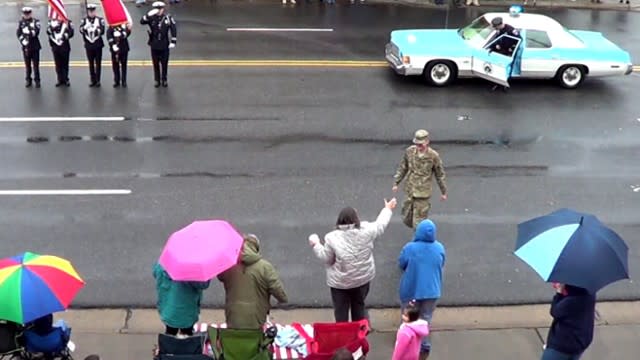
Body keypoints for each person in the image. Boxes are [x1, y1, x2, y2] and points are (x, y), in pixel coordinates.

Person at [309, 198, 397, 322]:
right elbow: (380, 225)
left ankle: (344, 337)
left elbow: (327, 259)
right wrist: (387, 209)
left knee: (341, 313)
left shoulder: (331, 238)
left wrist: (316, 244)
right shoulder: (367, 231)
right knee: (359, 306)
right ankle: (359, 335)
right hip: (362, 280)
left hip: (340, 284)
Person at [398, 219, 445, 360]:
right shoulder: (439, 248)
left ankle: (407, 342)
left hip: (412, 289)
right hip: (432, 290)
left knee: (409, 317)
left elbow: (402, 263)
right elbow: (442, 262)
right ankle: (424, 345)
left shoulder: (410, 248)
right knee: (426, 317)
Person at [218, 234, 288, 329]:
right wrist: (282, 299)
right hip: (256, 320)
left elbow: (220, 276)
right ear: (256, 248)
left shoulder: (230, 265)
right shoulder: (265, 267)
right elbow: (277, 289)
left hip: (233, 318)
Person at [393, 129, 448, 229]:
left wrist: (443, 191)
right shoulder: (409, 152)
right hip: (410, 190)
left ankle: (418, 241)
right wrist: (396, 182)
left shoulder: (433, 156)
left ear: (427, 142)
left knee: (418, 222)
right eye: (417, 144)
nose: (419, 147)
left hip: (423, 193)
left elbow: (440, 174)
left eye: (421, 144)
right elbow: (403, 167)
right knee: (406, 217)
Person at [541, 283, 596, 360]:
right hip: (580, 342)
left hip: (562, 345)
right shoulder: (589, 293)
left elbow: (555, 311)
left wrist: (559, 293)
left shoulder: (572, 300)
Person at [153, 263, 210, 336]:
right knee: (187, 335)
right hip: (187, 313)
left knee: (170, 332)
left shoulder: (163, 264)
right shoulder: (191, 269)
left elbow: (155, 272)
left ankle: (168, 344)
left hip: (167, 309)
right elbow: (203, 284)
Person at [140, 1, 177, 88]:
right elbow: (141, 22)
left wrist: (173, 41)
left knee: (164, 63)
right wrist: (147, 15)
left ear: (163, 9)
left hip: (164, 44)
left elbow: (173, 28)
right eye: (157, 9)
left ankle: (164, 79)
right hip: (154, 44)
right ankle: (157, 80)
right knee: (155, 63)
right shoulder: (152, 18)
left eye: (161, 9)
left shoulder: (167, 18)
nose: (159, 11)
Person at [488, 17, 522, 92]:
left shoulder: (511, 30)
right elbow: (497, 38)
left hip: (509, 52)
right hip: (501, 50)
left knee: (506, 68)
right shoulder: (499, 30)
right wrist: (496, 45)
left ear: (500, 25)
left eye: (496, 27)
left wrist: (512, 49)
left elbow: (519, 40)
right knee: (499, 67)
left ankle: (504, 84)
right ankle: (497, 83)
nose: (495, 28)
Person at [79, 4, 106, 87]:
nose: (91, 13)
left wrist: (96, 29)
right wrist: (85, 28)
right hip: (89, 45)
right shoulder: (84, 21)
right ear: (88, 12)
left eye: (93, 11)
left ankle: (98, 80)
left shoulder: (100, 20)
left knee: (98, 63)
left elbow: (102, 31)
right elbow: (80, 30)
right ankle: (92, 80)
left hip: (97, 45)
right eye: (90, 11)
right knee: (91, 63)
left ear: (95, 11)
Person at [17, 7, 41, 88]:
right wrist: (23, 41)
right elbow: (18, 33)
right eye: (25, 14)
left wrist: (29, 33)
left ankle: (37, 80)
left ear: (31, 14)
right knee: (27, 65)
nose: (26, 15)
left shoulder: (36, 22)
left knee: (36, 65)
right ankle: (28, 80)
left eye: (28, 14)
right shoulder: (21, 23)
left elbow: (37, 32)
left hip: (34, 46)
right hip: (26, 47)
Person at [47, 18, 74, 87]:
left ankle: (66, 79)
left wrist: (64, 36)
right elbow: (48, 31)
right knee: (58, 64)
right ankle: (59, 79)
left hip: (65, 46)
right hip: (55, 46)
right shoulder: (51, 22)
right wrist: (53, 28)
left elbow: (71, 32)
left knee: (65, 64)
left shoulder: (67, 22)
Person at [107, 23, 132, 88]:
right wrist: (113, 45)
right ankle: (116, 80)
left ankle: (124, 81)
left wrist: (122, 34)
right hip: (115, 49)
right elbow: (109, 36)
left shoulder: (123, 25)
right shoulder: (111, 27)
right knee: (115, 65)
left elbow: (127, 33)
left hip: (123, 48)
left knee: (124, 65)